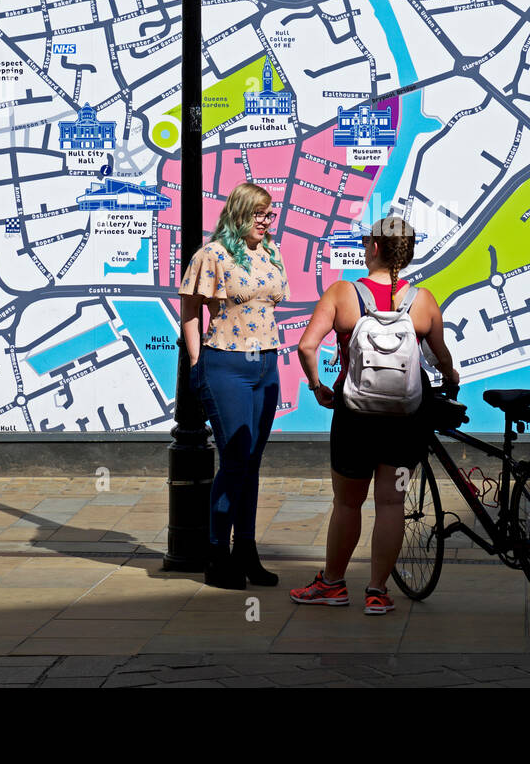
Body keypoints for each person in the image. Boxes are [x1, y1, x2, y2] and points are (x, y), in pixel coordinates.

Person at [290, 216, 459, 614]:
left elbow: (306, 347)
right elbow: (441, 357)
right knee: (391, 503)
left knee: (347, 504)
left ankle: (333, 584)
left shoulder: (342, 293)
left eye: (367, 242)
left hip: (355, 416)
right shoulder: (424, 301)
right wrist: (451, 379)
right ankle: (378, 591)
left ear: (376, 248)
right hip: (406, 419)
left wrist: (317, 387)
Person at [179, 182, 290, 590]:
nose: (266, 221)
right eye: (259, 213)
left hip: (267, 364)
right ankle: (215, 553)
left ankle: (245, 549)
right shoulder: (212, 255)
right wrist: (196, 361)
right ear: (240, 212)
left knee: (253, 463)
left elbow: (270, 301)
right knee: (236, 459)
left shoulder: (271, 253)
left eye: (270, 213)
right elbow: (190, 310)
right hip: (226, 362)